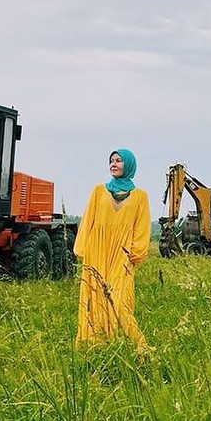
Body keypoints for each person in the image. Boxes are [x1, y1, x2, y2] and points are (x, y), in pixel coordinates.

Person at [74, 149, 151, 350]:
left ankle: (140, 347)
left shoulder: (140, 196)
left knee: (120, 300)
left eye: (119, 161)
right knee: (95, 296)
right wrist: (82, 248)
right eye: (111, 161)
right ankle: (96, 343)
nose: (113, 164)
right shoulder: (98, 190)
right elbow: (87, 220)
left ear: (129, 165)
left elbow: (141, 228)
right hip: (96, 252)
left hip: (122, 256)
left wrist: (133, 254)